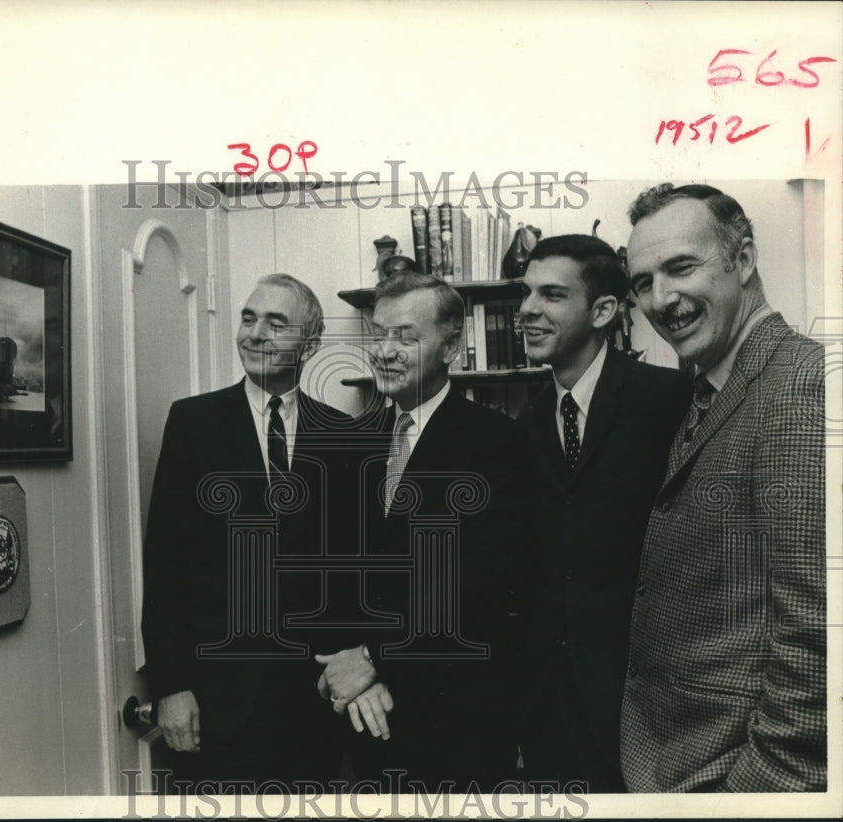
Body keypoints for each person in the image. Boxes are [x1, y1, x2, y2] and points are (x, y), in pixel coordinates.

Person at [620, 183, 826, 791]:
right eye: (642, 282)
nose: (662, 299)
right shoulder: (710, 388)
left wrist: (749, 794)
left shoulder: (799, 385)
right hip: (674, 767)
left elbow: (817, 641)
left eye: (682, 267)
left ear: (744, 258)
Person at [315, 270, 539, 793]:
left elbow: (482, 584)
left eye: (406, 337)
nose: (386, 351)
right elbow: (333, 568)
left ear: (453, 346)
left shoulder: (497, 443)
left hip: (459, 721)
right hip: (369, 718)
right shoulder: (355, 440)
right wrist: (352, 670)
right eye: (379, 335)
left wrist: (372, 660)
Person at [140, 273, 351, 789]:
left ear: (312, 342)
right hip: (217, 699)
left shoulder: (344, 434)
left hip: (315, 701)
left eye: (276, 323)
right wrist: (172, 686)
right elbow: (165, 562)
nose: (254, 333)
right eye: (248, 317)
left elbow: (352, 573)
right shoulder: (193, 422)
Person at [514, 234, 692, 792]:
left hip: (649, 704)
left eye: (551, 295)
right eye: (526, 294)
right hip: (550, 710)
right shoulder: (529, 419)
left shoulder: (668, 399)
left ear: (604, 311)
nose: (527, 310)